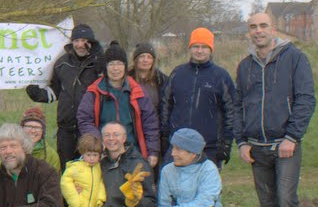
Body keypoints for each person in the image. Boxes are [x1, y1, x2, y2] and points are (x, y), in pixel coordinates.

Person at [233, 12, 317, 207]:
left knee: (287, 203)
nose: (258, 31)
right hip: (257, 148)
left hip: (285, 147)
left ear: (274, 29)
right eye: (253, 27)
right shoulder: (245, 66)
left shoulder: (294, 59)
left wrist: (292, 136)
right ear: (249, 32)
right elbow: (238, 106)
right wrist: (242, 141)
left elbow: (306, 99)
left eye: (263, 26)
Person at [25, 23, 103, 166]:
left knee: (88, 167)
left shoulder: (98, 63)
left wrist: (99, 58)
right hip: (65, 127)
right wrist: (37, 94)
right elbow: (55, 91)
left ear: (91, 42)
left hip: (89, 127)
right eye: (77, 41)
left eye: (84, 40)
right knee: (66, 168)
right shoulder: (61, 63)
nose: (80, 44)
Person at [160, 27, 236, 169]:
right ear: (190, 48)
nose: (199, 51)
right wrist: (164, 135)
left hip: (208, 147)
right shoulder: (178, 73)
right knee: (172, 188)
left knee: (205, 190)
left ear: (210, 49)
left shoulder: (221, 76)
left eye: (204, 47)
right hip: (177, 146)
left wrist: (226, 143)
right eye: (196, 46)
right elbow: (165, 105)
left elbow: (231, 111)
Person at [77, 41, 161, 167]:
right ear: (105, 67)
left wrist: (153, 152)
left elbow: (150, 123)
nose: (115, 69)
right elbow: (84, 119)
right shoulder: (94, 92)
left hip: (133, 152)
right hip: (104, 153)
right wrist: (98, 142)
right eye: (111, 64)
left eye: (119, 64)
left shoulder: (137, 91)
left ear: (125, 66)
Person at [129, 42, 167, 114]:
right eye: (142, 56)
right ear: (136, 59)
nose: (145, 60)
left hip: (154, 122)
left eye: (149, 57)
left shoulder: (161, 80)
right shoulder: (126, 79)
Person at [20, 107, 61, 171]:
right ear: (22, 129)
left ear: (43, 131)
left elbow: (54, 179)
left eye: (37, 127)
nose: (33, 131)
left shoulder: (51, 155)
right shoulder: (10, 150)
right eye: (29, 126)